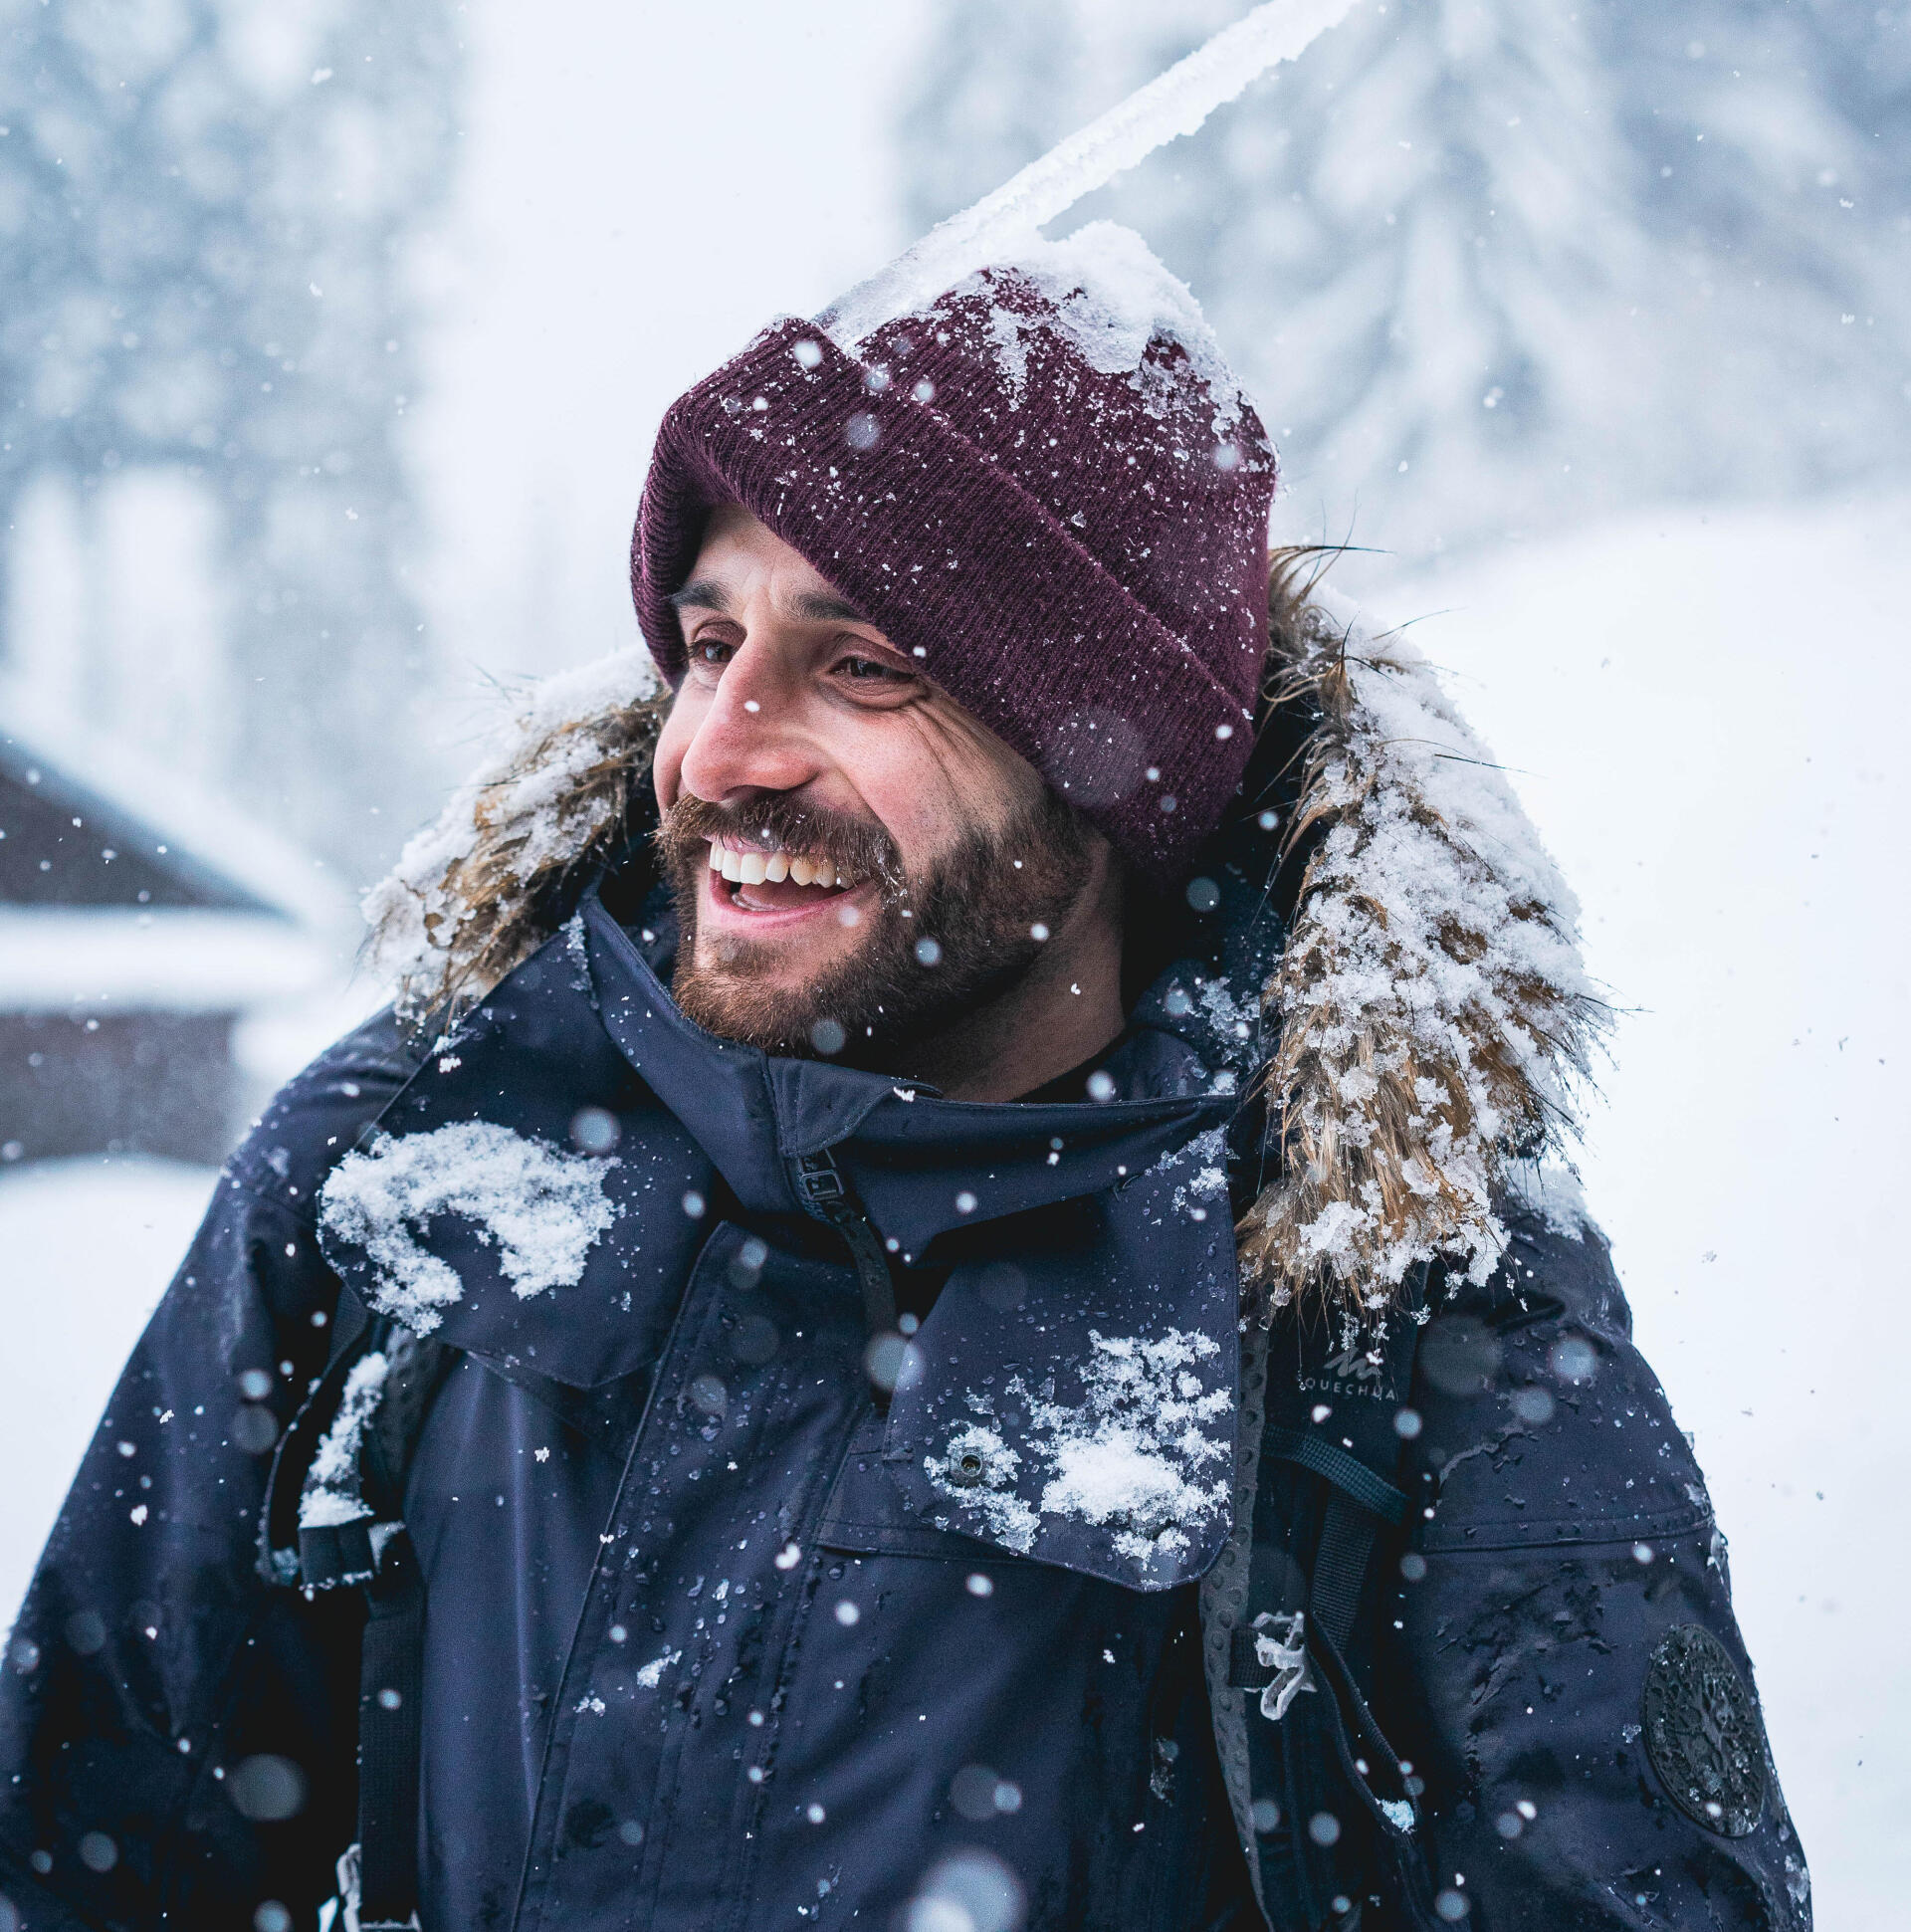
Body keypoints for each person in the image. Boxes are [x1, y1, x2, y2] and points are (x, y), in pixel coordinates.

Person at [0, 229, 1809, 1931]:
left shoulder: (1384, 1291)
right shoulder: (424, 1154)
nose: (717, 749)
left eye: (861, 665)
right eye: (710, 644)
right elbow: (80, 1855)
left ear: (1105, 768)